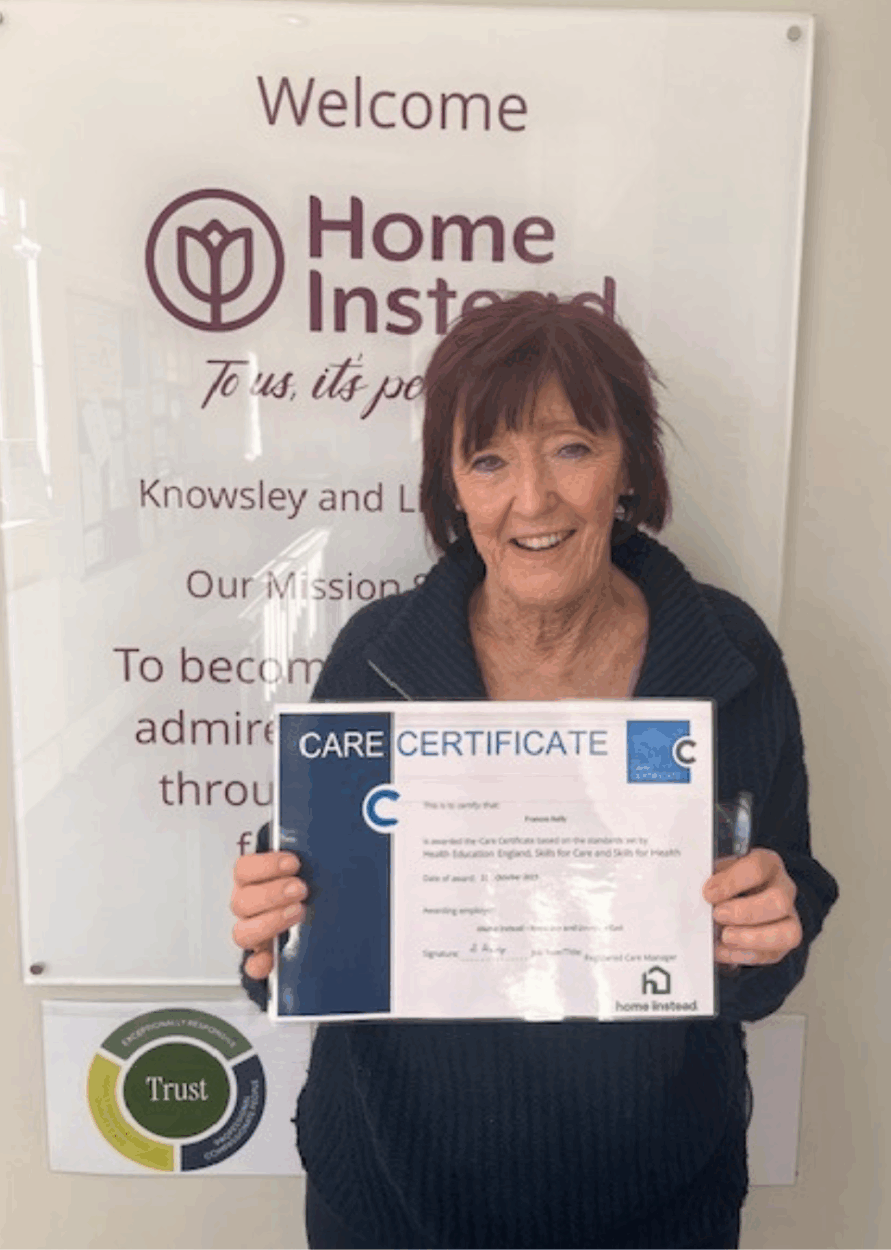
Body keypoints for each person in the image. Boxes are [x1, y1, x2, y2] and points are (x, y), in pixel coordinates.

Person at [231, 293, 839, 1250]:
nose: (532, 500)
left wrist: (769, 925)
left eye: (569, 447)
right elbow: (297, 964)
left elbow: (782, 919)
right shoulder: (376, 657)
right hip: (392, 1204)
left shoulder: (726, 655)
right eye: (488, 460)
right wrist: (275, 924)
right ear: (452, 488)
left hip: (656, 1206)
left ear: (627, 464)